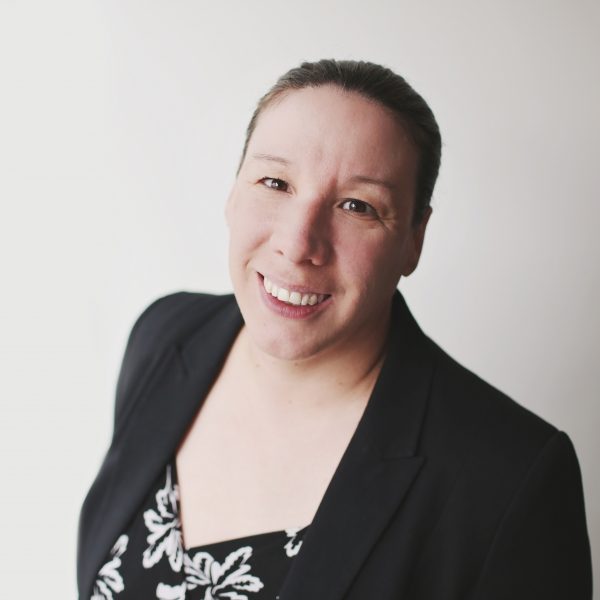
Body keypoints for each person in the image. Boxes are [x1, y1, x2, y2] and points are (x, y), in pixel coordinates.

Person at [77, 59, 592, 599]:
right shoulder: (165, 336)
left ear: (414, 238)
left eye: (357, 206)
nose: (299, 243)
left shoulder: (510, 478)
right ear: (233, 193)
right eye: (275, 181)